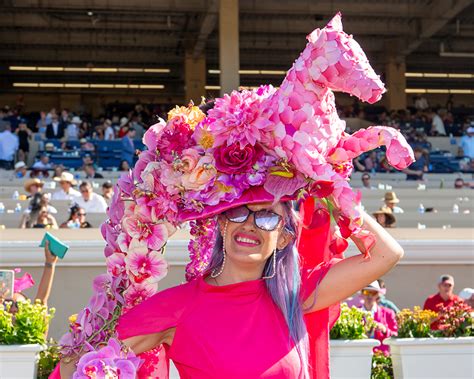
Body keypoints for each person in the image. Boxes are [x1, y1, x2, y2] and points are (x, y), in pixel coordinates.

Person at [58, 17, 410, 378]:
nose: (252, 225)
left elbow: (386, 254)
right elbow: (77, 367)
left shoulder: (295, 295)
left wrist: (330, 186)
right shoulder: (178, 306)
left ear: (286, 236)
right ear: (221, 222)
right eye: (240, 213)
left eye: (268, 217)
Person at [0, 241, 58, 315]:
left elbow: (41, 301)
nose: (14, 309)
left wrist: (50, 263)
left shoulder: (34, 325)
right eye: (8, 304)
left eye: (19, 305)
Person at [359, 281, 397, 353]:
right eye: (366, 292)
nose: (369, 296)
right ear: (362, 293)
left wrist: (385, 330)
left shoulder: (388, 313)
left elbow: (396, 335)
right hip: (360, 354)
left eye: (373, 293)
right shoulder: (354, 314)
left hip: (382, 356)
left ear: (378, 294)